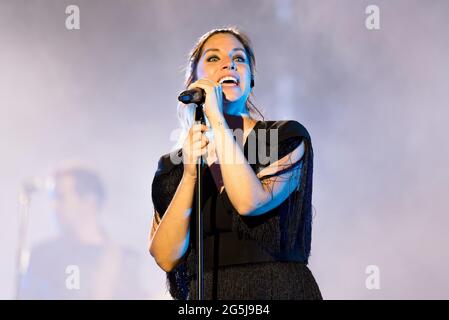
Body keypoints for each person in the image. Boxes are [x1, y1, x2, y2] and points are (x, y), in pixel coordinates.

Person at [149, 27, 322, 300]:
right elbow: (165, 256)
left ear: (251, 80)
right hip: (209, 293)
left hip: (277, 289)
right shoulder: (173, 167)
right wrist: (191, 174)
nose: (229, 63)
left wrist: (216, 120)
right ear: (193, 80)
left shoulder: (284, 138)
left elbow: (249, 203)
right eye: (213, 58)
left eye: (239, 59)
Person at [20, 165, 144, 299]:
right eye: (52, 198)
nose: (53, 206)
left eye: (60, 197)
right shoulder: (42, 255)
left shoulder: (124, 260)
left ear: (89, 202)